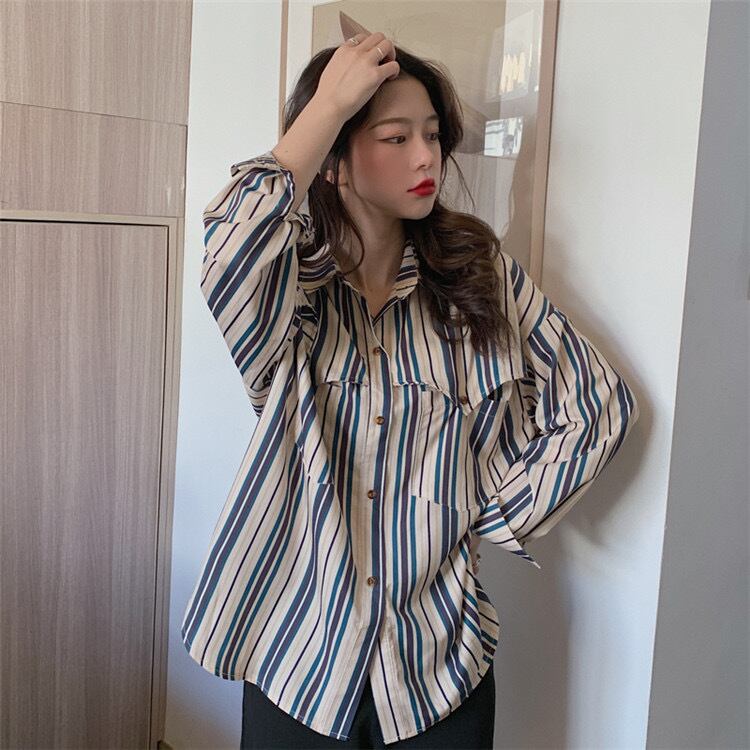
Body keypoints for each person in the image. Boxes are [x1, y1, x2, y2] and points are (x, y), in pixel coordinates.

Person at [181, 31, 640, 749]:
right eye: (396, 137)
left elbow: (597, 405)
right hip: (298, 659)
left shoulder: (480, 275)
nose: (427, 157)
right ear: (335, 159)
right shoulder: (290, 292)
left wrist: (492, 512)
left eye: (432, 135)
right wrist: (326, 107)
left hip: (439, 671)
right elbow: (229, 247)